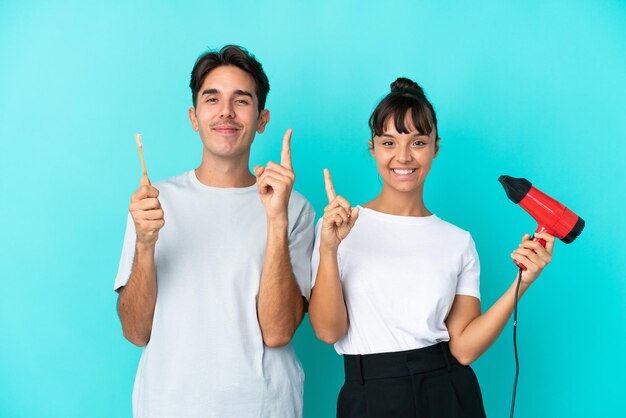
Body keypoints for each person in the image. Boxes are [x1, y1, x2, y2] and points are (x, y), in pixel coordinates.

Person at [308, 77, 555, 418]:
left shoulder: (458, 241)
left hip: (447, 394)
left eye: (418, 142)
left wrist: (522, 283)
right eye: (389, 142)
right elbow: (327, 330)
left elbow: (464, 349)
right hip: (367, 394)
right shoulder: (335, 229)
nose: (403, 156)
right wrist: (329, 250)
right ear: (373, 148)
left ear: (436, 147)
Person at [114, 45, 315, 418]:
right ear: (194, 116)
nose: (226, 112)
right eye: (212, 99)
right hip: (168, 406)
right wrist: (145, 244)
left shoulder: (295, 207)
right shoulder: (153, 203)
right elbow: (136, 332)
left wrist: (277, 220)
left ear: (262, 119)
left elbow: (278, 331)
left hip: (265, 407)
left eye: (241, 100)